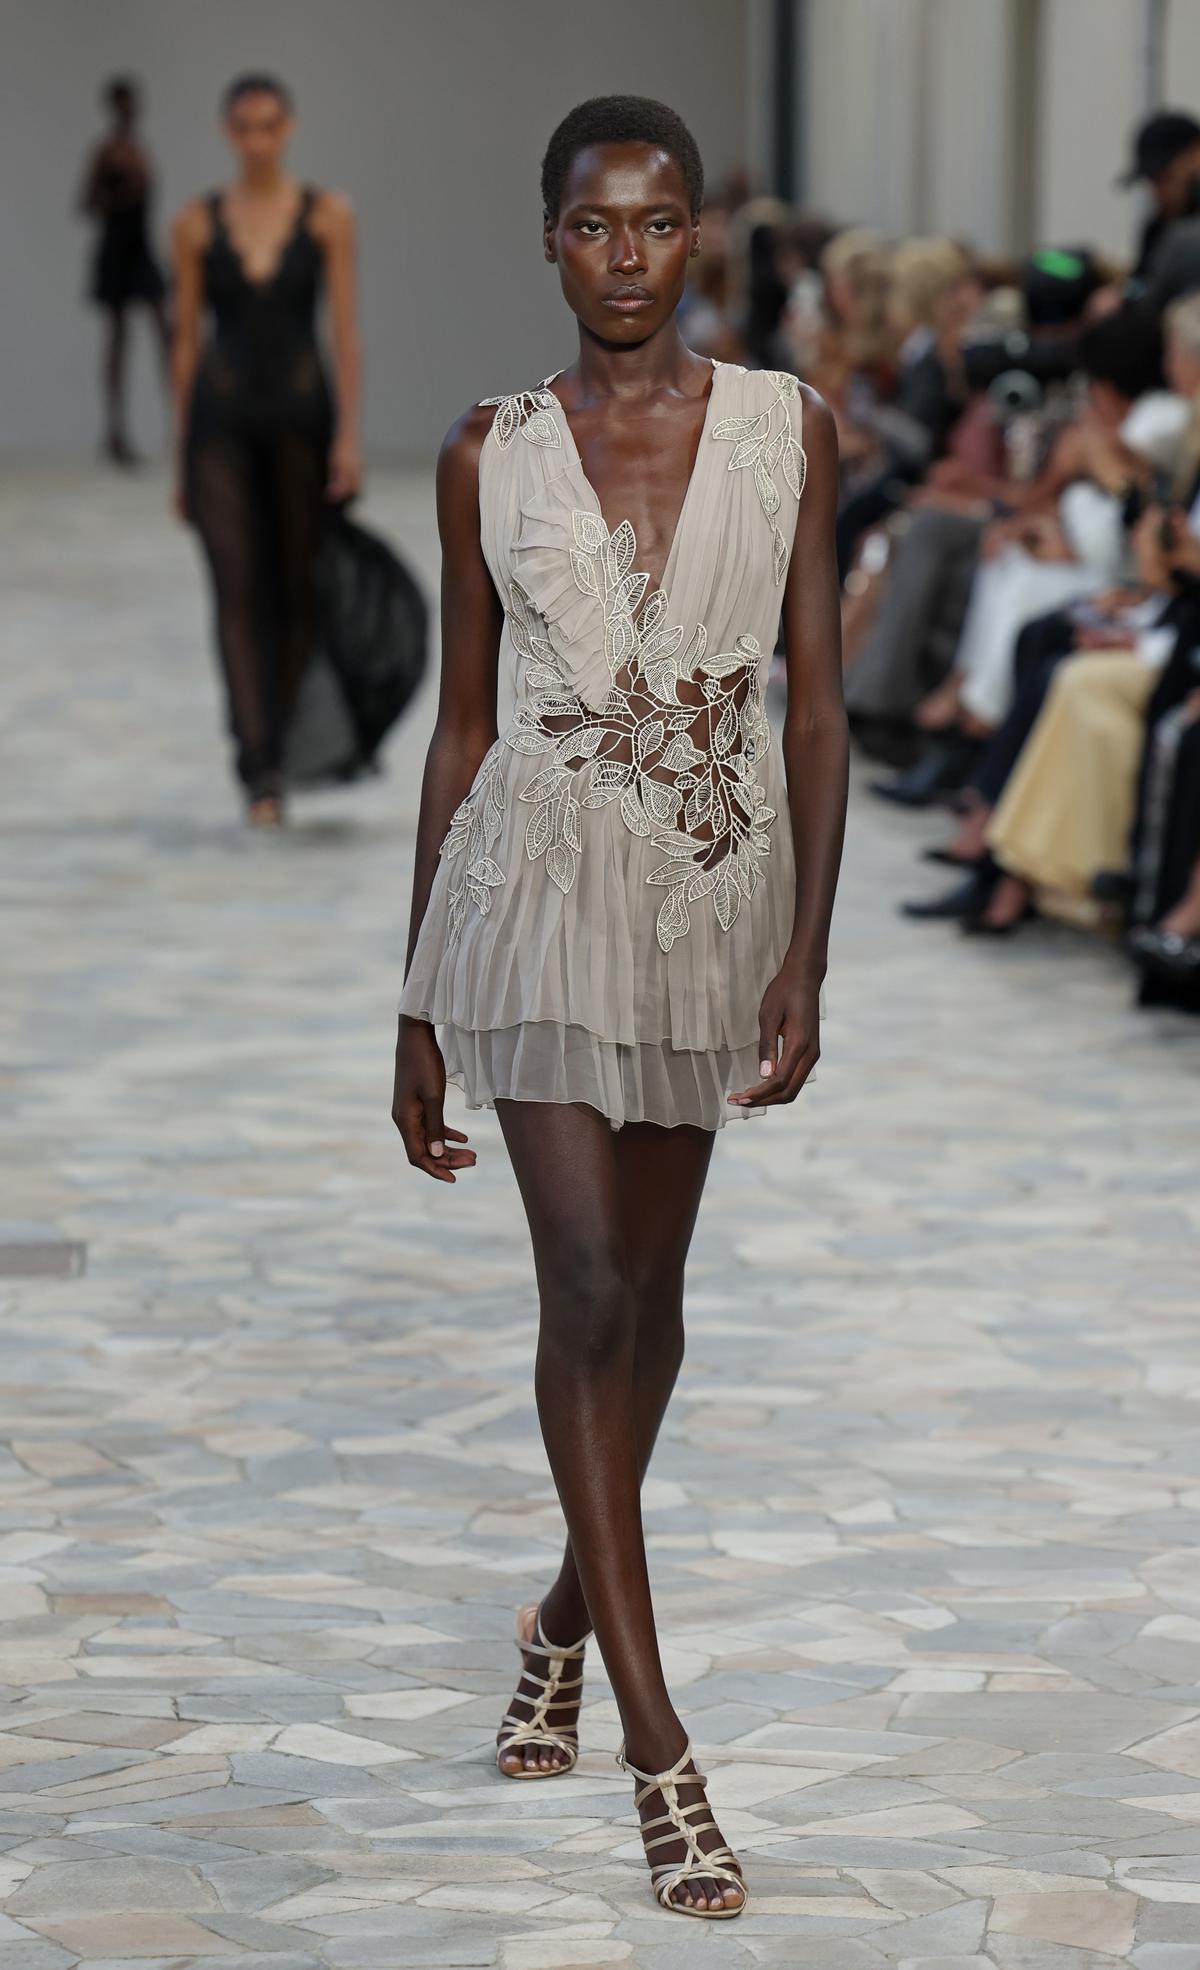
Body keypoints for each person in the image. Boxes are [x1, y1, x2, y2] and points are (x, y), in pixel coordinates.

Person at [391, 95, 846, 1919]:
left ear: (700, 237)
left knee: (650, 1309)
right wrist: (416, 996)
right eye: (597, 226)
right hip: (531, 888)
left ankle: (565, 1616)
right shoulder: (484, 452)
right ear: (552, 240)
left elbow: (817, 703)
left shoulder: (789, 430)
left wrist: (809, 949)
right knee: (583, 1283)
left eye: (659, 224)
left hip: (709, 901)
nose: (630, 257)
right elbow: (462, 722)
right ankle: (660, 1750)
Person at [171, 73, 363, 825]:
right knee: (234, 586)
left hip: (301, 421)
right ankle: (257, 768)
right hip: (219, 424)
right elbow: (184, 343)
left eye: (268, 126)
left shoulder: (327, 216)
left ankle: (277, 742)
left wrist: (349, 435)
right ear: (228, 133)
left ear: (288, 129)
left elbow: (346, 333)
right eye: (243, 127)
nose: (256, 140)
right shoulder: (193, 223)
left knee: (295, 588)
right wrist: (180, 449)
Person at [79, 76, 169, 465]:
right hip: (117, 249)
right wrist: (119, 197)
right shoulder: (106, 152)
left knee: (166, 332)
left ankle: (180, 425)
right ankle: (115, 432)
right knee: (118, 342)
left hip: (141, 247)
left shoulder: (137, 149)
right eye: (124, 104)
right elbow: (85, 203)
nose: (130, 110)